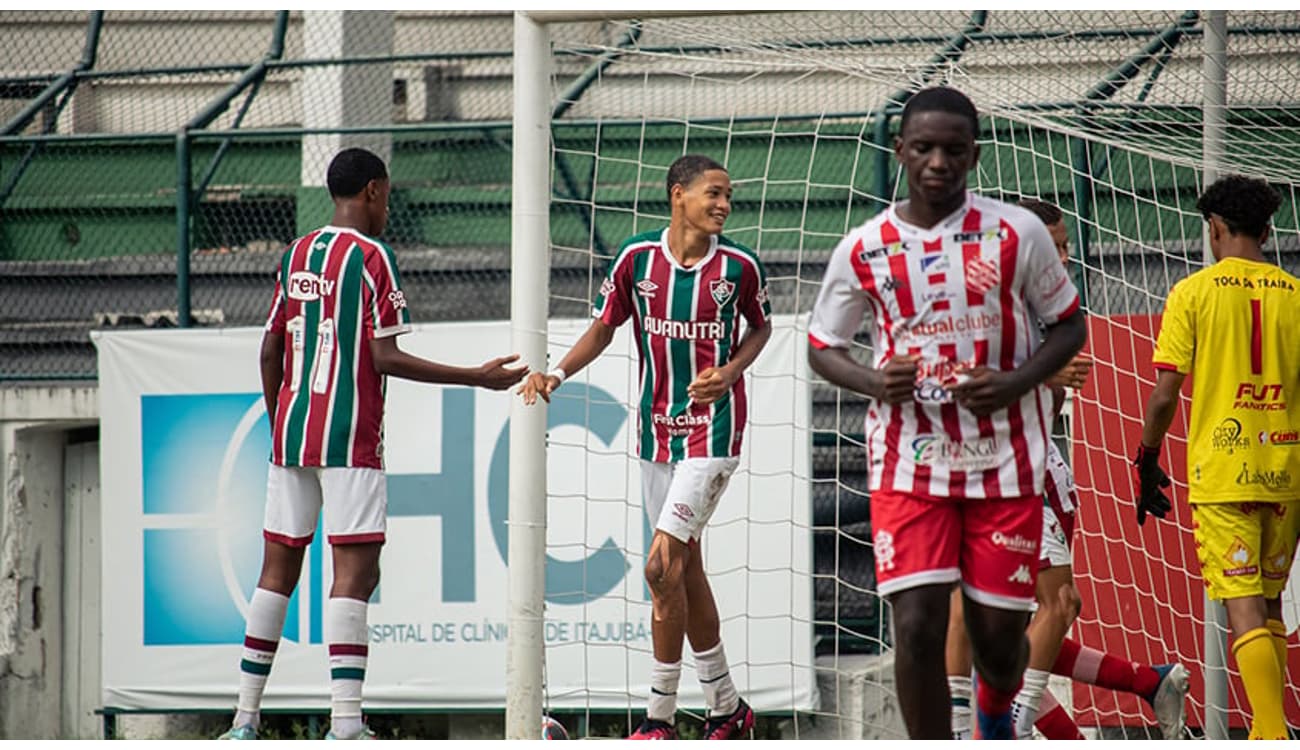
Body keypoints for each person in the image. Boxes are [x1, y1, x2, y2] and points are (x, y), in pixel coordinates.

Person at [806, 86, 1087, 739]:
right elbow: (823, 347)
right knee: (918, 625)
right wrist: (875, 381)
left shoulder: (1015, 233)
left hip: (1004, 465)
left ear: (974, 155)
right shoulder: (864, 246)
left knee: (995, 641)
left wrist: (1016, 380)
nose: (938, 161)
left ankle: (994, 711)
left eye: (953, 149)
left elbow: (1067, 327)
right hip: (908, 463)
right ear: (900, 150)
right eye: (924, 147)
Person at [219, 147, 528, 740]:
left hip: (291, 434)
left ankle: (244, 719)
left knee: (276, 571)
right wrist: (476, 377)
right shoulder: (372, 256)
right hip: (351, 437)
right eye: (385, 195)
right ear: (374, 192)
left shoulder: (297, 252)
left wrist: (282, 416)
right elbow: (384, 355)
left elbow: (269, 351)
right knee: (354, 573)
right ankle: (345, 724)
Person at [518, 153, 772, 740]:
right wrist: (556, 373)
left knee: (660, 568)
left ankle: (656, 719)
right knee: (683, 571)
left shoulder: (739, 269)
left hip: (714, 430)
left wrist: (730, 370)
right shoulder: (636, 260)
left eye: (729, 196)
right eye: (714, 193)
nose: (724, 205)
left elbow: (761, 327)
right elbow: (605, 325)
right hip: (656, 431)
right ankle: (728, 710)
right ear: (677, 194)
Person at [944, 198, 1189, 740]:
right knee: (996, 625)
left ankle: (1000, 727)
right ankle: (1144, 685)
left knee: (1053, 607)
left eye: (1064, 248)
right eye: (1049, 247)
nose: (1060, 258)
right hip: (976, 471)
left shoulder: (1054, 311)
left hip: (1031, 475)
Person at [1135, 174, 1297, 740]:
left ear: (1215, 228)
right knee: (1271, 602)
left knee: (1243, 604)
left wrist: (1147, 456)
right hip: (1286, 471)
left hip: (1224, 470)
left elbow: (1163, 394)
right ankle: (1267, 728)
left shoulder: (1193, 294)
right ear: (1269, 230)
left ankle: (1272, 735)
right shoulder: (1297, 296)